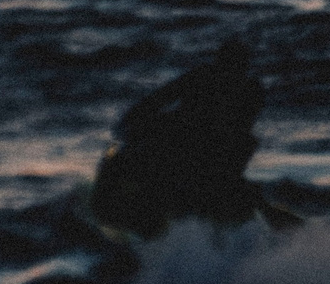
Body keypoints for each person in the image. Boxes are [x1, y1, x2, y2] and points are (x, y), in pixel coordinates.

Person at [83, 39, 299, 241]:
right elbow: (159, 99)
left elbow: (164, 100)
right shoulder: (215, 81)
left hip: (207, 154)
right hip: (200, 149)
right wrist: (136, 119)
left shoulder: (241, 89)